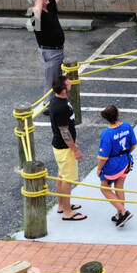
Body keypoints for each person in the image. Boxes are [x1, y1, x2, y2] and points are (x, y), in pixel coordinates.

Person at [48, 75, 85, 221]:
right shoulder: (61, 107)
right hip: (65, 148)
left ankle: (61, 205)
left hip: (59, 146)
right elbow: (65, 132)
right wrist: (75, 149)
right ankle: (67, 212)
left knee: (61, 175)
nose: (71, 84)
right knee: (67, 179)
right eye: (68, 84)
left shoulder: (57, 100)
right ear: (63, 90)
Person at [96, 104, 136, 227]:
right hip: (125, 161)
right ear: (118, 114)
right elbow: (133, 144)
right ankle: (119, 215)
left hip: (112, 166)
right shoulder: (127, 126)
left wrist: (99, 169)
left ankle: (123, 212)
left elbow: (104, 156)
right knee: (119, 187)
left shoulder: (107, 133)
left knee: (105, 188)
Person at [28, 0, 65, 97]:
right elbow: (38, 8)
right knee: (51, 80)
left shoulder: (50, 7)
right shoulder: (34, 15)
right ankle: (47, 104)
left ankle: (56, 100)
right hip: (50, 52)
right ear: (36, 0)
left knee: (58, 79)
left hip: (57, 50)